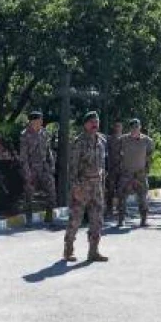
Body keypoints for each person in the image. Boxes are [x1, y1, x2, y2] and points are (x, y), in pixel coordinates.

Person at [63, 111, 109, 262]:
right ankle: (68, 249)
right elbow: (73, 168)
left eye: (97, 121)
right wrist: (75, 188)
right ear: (85, 124)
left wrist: (102, 185)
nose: (95, 124)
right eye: (92, 122)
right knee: (75, 219)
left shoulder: (102, 141)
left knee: (97, 220)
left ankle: (93, 251)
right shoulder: (79, 142)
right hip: (82, 185)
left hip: (97, 186)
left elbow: (102, 165)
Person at [116, 119, 154, 227]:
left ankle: (144, 219)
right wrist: (120, 167)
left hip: (140, 174)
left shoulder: (147, 141)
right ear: (130, 128)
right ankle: (121, 219)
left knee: (143, 197)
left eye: (137, 127)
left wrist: (146, 170)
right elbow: (117, 155)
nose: (135, 129)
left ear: (140, 127)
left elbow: (150, 156)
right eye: (133, 127)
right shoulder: (123, 140)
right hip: (126, 173)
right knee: (122, 197)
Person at [19, 111, 55, 211]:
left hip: (44, 166)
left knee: (51, 188)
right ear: (32, 121)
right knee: (29, 191)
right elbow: (23, 156)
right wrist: (27, 172)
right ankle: (28, 214)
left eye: (41, 120)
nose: (41, 122)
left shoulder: (44, 133)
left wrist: (51, 165)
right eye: (39, 120)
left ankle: (49, 213)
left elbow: (48, 150)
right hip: (31, 167)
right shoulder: (25, 134)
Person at [105, 121, 124, 217]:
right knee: (110, 190)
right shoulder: (109, 139)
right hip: (112, 168)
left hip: (122, 169)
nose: (117, 128)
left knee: (121, 190)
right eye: (116, 126)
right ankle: (109, 209)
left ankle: (121, 209)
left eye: (119, 126)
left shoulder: (125, 139)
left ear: (122, 127)